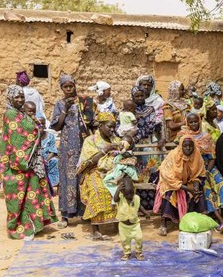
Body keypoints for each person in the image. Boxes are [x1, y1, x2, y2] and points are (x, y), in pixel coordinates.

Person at [1, 86, 57, 239]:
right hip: (17, 164)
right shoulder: (10, 114)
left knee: (32, 193)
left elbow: (35, 129)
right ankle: (21, 227)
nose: (20, 99)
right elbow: (19, 136)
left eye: (21, 96)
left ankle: (33, 225)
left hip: (28, 162)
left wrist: (38, 125)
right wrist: (36, 126)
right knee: (18, 195)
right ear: (10, 98)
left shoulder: (21, 113)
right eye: (16, 97)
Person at [50, 74, 95, 228]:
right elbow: (56, 127)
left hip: (84, 145)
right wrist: (65, 110)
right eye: (65, 86)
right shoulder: (59, 104)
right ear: (61, 88)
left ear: (75, 85)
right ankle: (65, 215)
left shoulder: (85, 101)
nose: (69, 89)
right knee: (67, 178)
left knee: (83, 176)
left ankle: (85, 213)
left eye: (71, 86)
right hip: (67, 147)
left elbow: (92, 123)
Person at [175, 113, 223, 231]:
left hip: (208, 166)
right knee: (206, 188)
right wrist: (201, 172)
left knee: (220, 183)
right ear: (187, 123)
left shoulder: (206, 136)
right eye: (190, 122)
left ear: (200, 121)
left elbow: (212, 158)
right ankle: (219, 218)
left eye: (195, 121)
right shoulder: (182, 136)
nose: (193, 124)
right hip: (193, 169)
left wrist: (207, 171)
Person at [76, 112, 123, 240]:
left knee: (123, 188)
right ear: (100, 125)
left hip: (113, 172)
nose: (112, 129)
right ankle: (96, 229)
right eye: (109, 126)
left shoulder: (116, 140)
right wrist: (106, 150)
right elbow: (88, 162)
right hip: (93, 171)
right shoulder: (90, 141)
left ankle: (120, 224)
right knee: (98, 190)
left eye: (114, 127)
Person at [154, 137, 207, 236]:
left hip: (187, 180)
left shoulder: (197, 155)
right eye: (185, 146)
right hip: (169, 180)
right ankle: (163, 223)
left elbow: (198, 173)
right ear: (181, 146)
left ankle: (193, 220)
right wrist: (188, 189)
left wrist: (195, 186)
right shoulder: (173, 155)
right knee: (170, 192)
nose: (188, 148)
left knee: (198, 191)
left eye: (190, 146)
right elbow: (168, 177)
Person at [114, 177, 149, 261]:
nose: (129, 196)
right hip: (123, 225)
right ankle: (127, 253)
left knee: (139, 238)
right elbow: (115, 199)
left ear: (134, 190)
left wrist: (146, 213)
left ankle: (138, 252)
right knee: (124, 240)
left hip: (135, 225)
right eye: (127, 194)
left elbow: (140, 206)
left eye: (131, 193)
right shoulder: (120, 198)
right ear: (122, 192)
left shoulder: (136, 198)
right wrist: (118, 189)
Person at [38, 117, 59, 189]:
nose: (41, 126)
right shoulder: (32, 135)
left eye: (43, 124)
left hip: (47, 158)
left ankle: (50, 185)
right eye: (39, 124)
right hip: (35, 159)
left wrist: (46, 160)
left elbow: (53, 151)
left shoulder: (50, 136)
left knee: (55, 161)